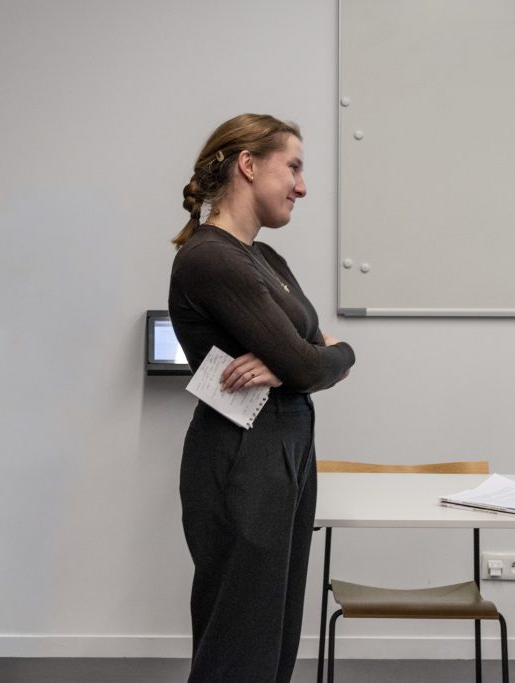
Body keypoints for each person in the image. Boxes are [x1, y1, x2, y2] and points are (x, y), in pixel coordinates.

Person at [169, 113, 356, 682]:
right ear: (248, 165)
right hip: (244, 453)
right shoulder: (210, 257)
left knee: (275, 635)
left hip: (289, 443)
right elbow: (309, 358)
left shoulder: (266, 259)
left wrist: (309, 360)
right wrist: (302, 360)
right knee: (241, 638)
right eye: (293, 168)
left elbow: (324, 354)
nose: (302, 186)